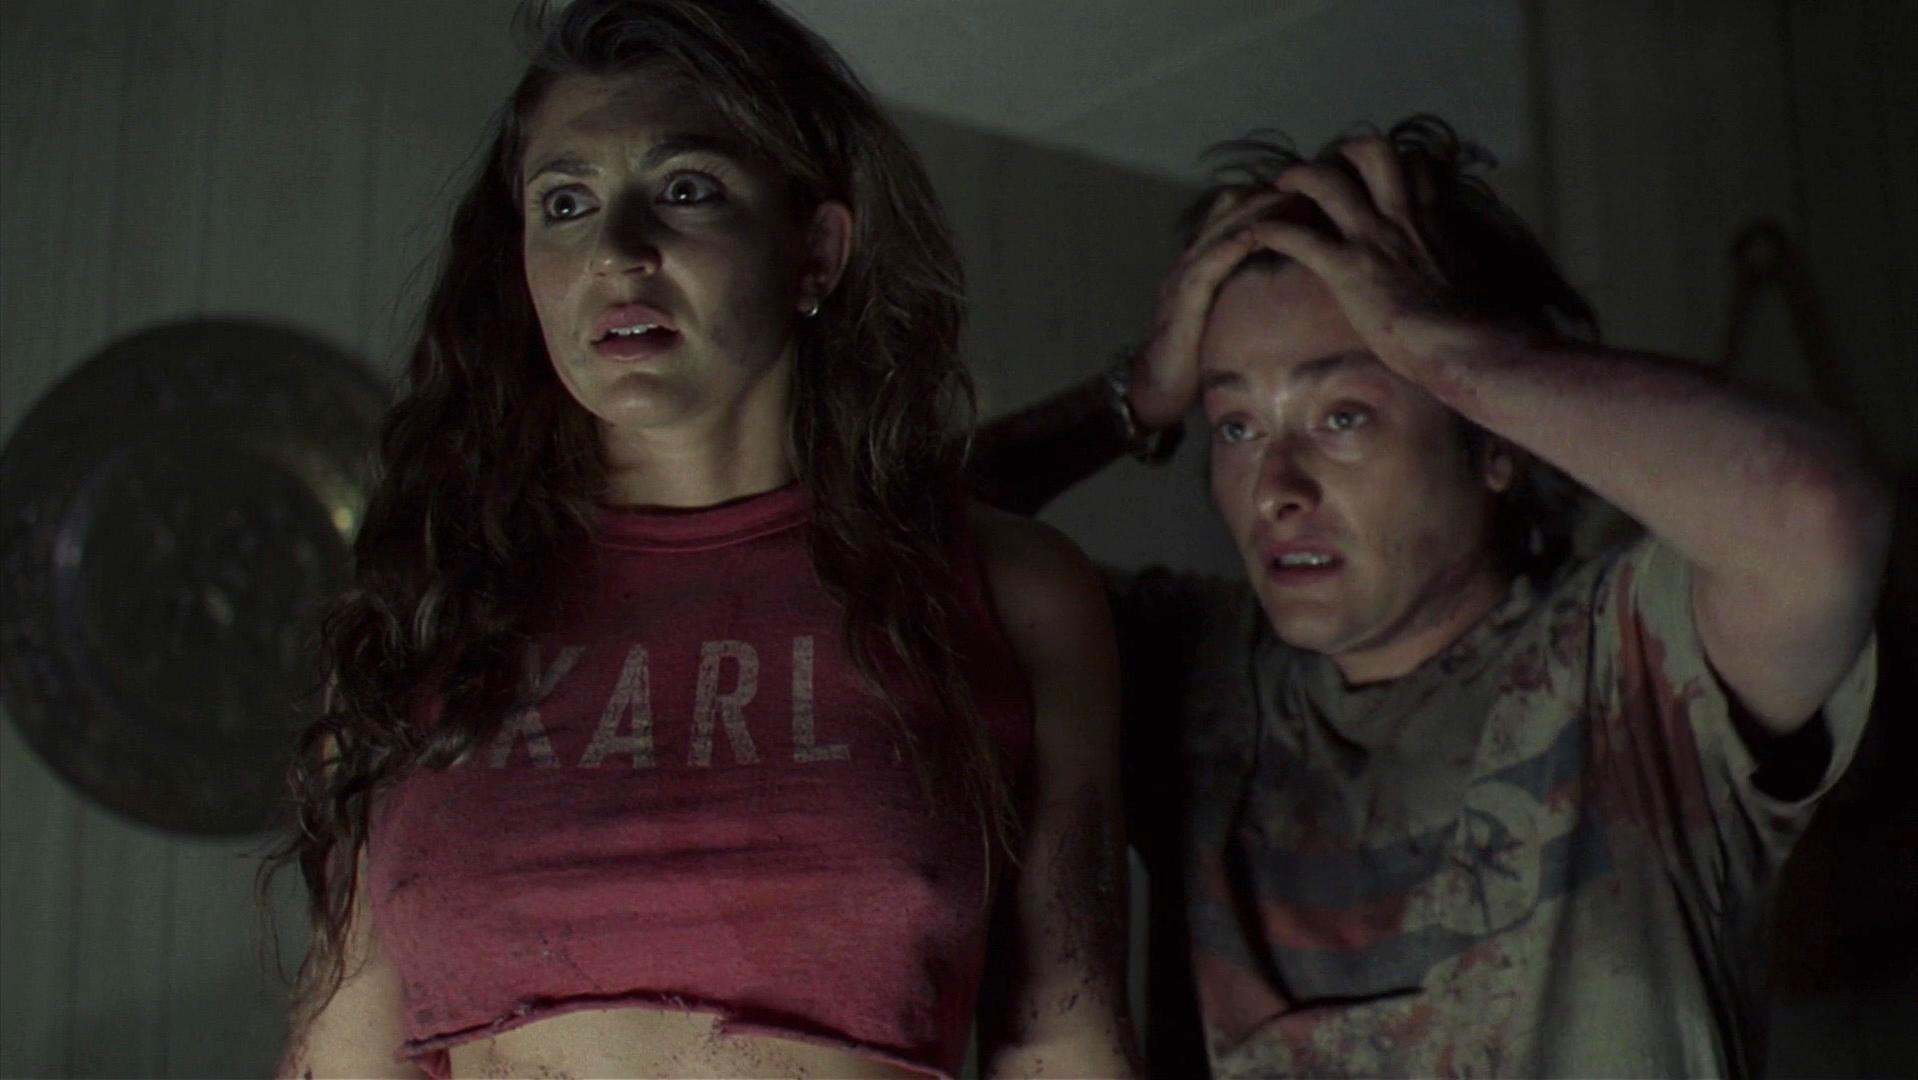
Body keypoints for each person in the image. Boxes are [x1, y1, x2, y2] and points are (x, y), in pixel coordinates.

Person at [270, 2, 1137, 1077]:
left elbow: (1064, 1036)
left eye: (686, 190)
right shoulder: (425, 608)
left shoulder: (1006, 592)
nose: (616, 252)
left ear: (815, 251)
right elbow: (343, 1049)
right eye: (565, 204)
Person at [970, 117, 1888, 1077]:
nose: (1275, 488)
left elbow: (1817, 514)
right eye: (1236, 424)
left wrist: (1453, 352)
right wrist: (1130, 397)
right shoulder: (1193, 671)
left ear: (1494, 441)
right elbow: (898, 557)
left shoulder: (1625, 668)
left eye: (1343, 415)